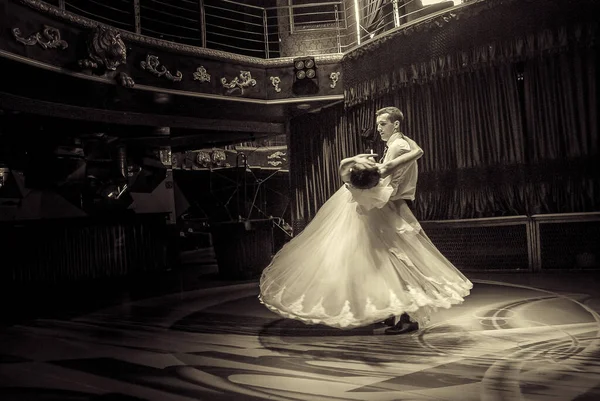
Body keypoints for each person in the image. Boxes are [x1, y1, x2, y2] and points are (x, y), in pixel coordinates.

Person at [259, 107, 472, 332]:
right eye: (378, 124)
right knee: (388, 264)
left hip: (391, 207)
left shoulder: (396, 148)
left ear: (396, 124)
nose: (378, 128)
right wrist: (415, 150)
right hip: (387, 207)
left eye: (383, 124)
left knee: (397, 263)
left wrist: (363, 169)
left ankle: (406, 316)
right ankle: (396, 312)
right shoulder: (394, 150)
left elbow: (386, 175)